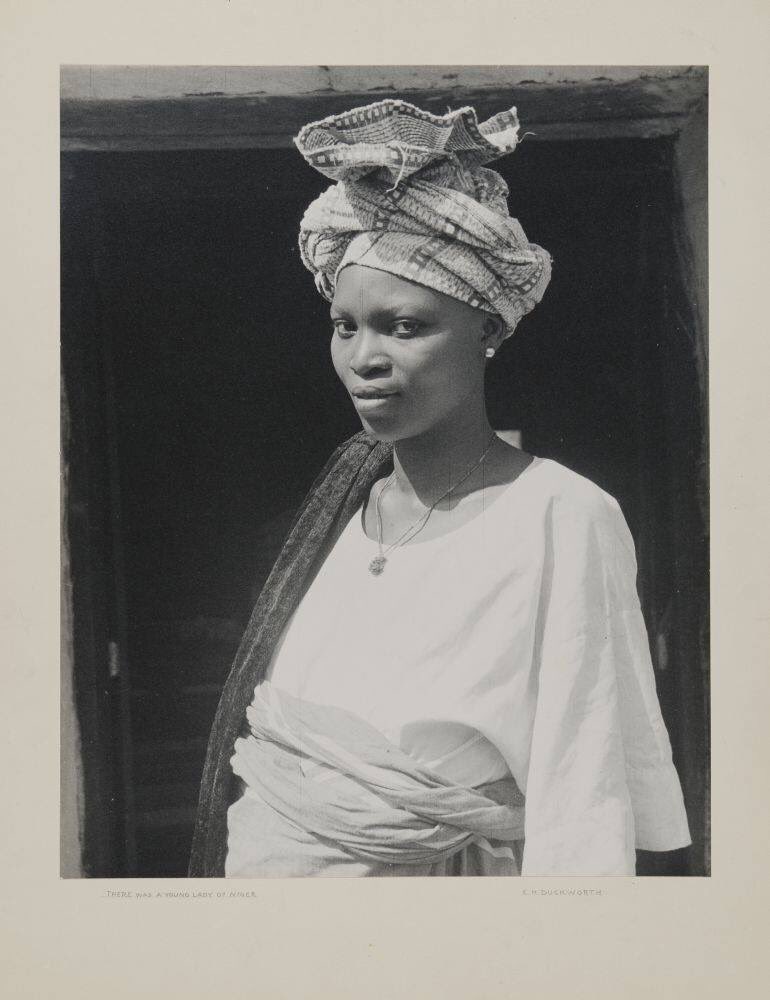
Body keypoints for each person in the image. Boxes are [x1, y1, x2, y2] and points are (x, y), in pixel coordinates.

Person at [188, 99, 691, 877]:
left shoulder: (559, 515)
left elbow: (581, 780)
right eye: (345, 325)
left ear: (488, 328)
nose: (365, 358)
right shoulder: (337, 514)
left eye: (405, 325)